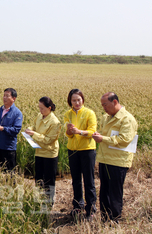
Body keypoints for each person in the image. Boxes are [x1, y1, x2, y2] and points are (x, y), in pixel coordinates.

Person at [92, 92, 138, 222]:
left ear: (115, 102)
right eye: (102, 105)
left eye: (105, 105)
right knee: (104, 192)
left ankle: (115, 220)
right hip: (105, 159)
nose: (104, 108)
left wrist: (103, 138)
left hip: (119, 161)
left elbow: (124, 140)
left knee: (115, 193)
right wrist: (99, 135)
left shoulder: (127, 119)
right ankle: (104, 219)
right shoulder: (106, 117)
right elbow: (106, 135)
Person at [64, 88, 97, 220]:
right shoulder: (68, 114)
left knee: (89, 180)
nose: (77, 102)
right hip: (72, 150)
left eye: (79, 100)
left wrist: (79, 132)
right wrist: (70, 132)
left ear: (83, 100)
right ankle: (78, 205)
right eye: (74, 100)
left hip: (87, 150)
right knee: (76, 180)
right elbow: (68, 135)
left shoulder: (89, 113)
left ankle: (91, 207)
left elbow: (92, 131)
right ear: (70, 101)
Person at [25, 96, 61, 203]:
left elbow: (48, 140)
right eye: (39, 108)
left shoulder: (55, 122)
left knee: (49, 180)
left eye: (42, 108)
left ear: (49, 108)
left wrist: (34, 134)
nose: (40, 111)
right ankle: (38, 200)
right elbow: (34, 126)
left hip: (49, 153)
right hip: (39, 151)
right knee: (39, 178)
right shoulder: (40, 116)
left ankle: (49, 202)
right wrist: (29, 129)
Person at [0, 88, 23, 171]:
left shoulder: (17, 113)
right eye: (4, 95)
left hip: (8, 148)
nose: (4, 98)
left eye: (7, 96)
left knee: (9, 174)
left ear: (14, 99)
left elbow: (16, 130)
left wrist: (2, 128)